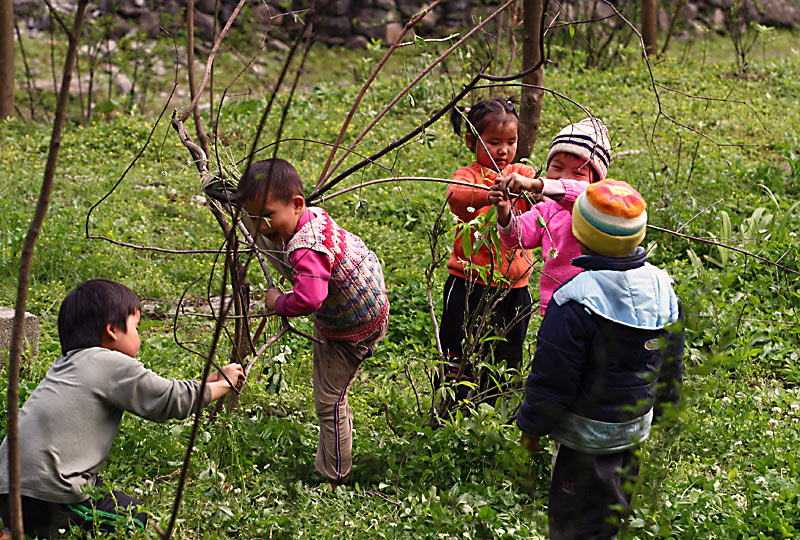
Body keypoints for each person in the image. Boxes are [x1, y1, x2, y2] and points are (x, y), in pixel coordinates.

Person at [0, 279, 244, 537]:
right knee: (137, 518)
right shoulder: (110, 363)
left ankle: (16, 530)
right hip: (53, 491)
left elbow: (172, 390)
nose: (139, 336)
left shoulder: (68, 365)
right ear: (112, 330)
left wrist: (210, 380)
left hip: (8, 488)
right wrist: (226, 384)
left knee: (96, 497)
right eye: (136, 327)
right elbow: (171, 400)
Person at [515, 180, 684, 539]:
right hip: (635, 427)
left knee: (574, 522)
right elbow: (672, 356)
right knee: (613, 507)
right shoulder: (662, 285)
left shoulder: (575, 299)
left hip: (585, 437)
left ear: (580, 234)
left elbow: (554, 376)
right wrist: (667, 404)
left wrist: (533, 426)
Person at [235, 158, 389, 489]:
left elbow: (308, 300)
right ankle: (337, 452)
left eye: (267, 216)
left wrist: (278, 302)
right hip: (361, 306)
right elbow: (269, 232)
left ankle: (334, 477)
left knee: (329, 402)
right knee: (332, 393)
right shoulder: (309, 219)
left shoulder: (307, 249)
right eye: (254, 218)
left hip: (352, 329)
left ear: (297, 204)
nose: (262, 226)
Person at [438, 97, 538, 402]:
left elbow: (539, 199)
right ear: (472, 141)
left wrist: (524, 187)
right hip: (468, 282)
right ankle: (454, 406)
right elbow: (456, 197)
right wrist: (487, 194)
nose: (503, 150)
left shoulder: (522, 172)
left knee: (507, 351)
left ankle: (494, 408)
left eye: (511, 141)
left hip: (513, 286)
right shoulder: (468, 176)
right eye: (494, 142)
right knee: (459, 348)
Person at [488, 117, 612, 316]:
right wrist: (504, 211)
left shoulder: (597, 206)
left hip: (595, 306)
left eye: (578, 173)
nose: (564, 177)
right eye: (557, 167)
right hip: (555, 307)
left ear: (595, 181)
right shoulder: (547, 209)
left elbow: (582, 193)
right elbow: (516, 237)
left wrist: (538, 184)